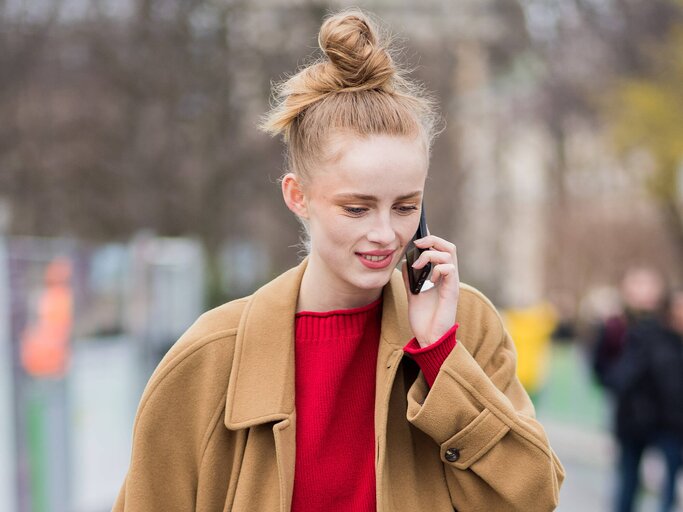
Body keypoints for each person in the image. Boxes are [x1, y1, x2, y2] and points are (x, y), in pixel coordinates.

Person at [113, 9, 564, 511]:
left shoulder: (465, 326)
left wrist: (439, 356)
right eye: (357, 207)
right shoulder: (208, 359)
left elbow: (533, 497)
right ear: (297, 196)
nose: (384, 234)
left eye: (406, 207)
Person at [604, 287, 683, 512]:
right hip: (639, 424)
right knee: (629, 483)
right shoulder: (648, 337)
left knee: (670, 487)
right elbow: (620, 377)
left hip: (673, 426)